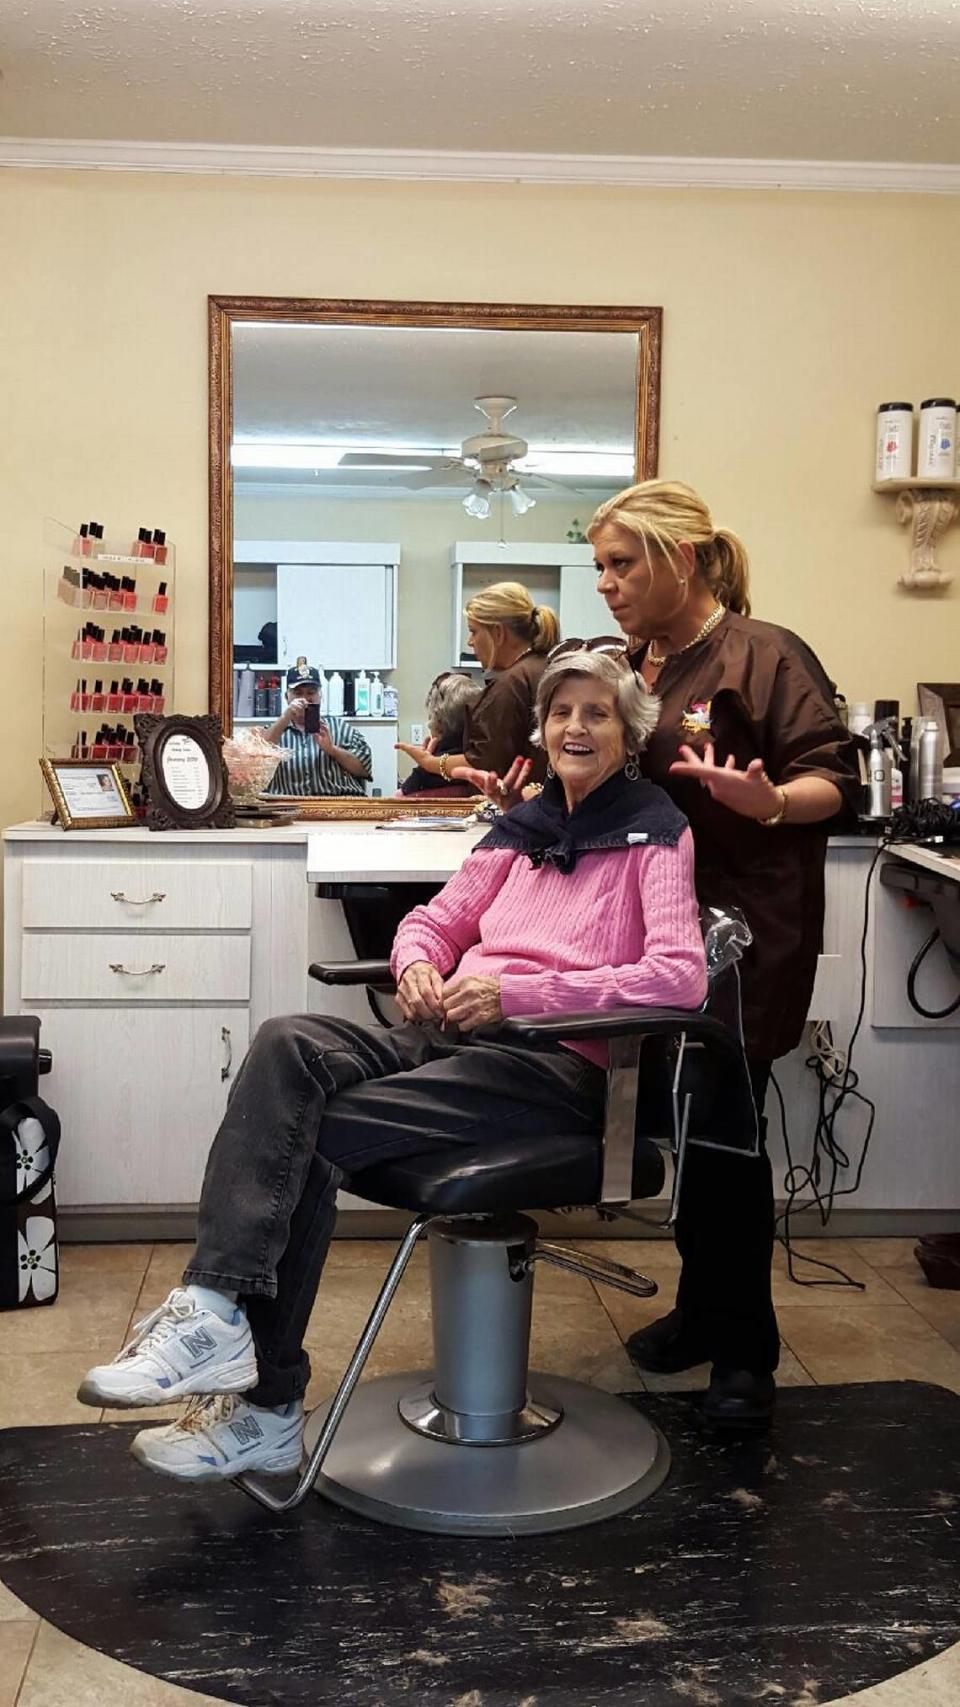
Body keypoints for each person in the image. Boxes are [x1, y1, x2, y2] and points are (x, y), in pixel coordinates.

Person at [78, 649, 707, 1483]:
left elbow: (678, 975)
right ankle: (214, 1311)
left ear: (628, 731)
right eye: (561, 712)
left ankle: (265, 1407)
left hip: (557, 1066)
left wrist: (520, 997)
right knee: (287, 1043)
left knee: (312, 1134)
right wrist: (416, 963)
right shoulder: (524, 827)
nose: (575, 728)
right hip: (457, 1036)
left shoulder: (655, 829)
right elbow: (436, 921)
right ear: (542, 727)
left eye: (596, 712)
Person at [587, 479, 861, 1426]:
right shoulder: (634, 664)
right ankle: (703, 1310)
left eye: (624, 564)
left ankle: (747, 1348)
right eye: (600, 568)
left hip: (744, 930)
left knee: (725, 1131)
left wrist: (773, 800)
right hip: (652, 928)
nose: (608, 584)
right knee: (681, 1123)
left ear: (685, 560)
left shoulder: (763, 653)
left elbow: (837, 779)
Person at [395, 582, 559, 786]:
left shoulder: (511, 683)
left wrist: (430, 763)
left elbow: (485, 766)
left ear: (498, 633)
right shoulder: (547, 666)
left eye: (474, 632)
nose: (470, 642)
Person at [264, 663, 371, 797]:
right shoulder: (274, 730)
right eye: (298, 693)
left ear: (320, 696)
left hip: (338, 805)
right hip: (287, 807)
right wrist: (285, 717)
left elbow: (364, 770)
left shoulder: (340, 727)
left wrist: (333, 750)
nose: (305, 698)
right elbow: (257, 759)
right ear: (286, 697)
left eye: (311, 692)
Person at [398, 671, 484, 798]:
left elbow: (400, 798)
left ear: (438, 720)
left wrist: (424, 763)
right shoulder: (488, 758)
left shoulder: (428, 770)